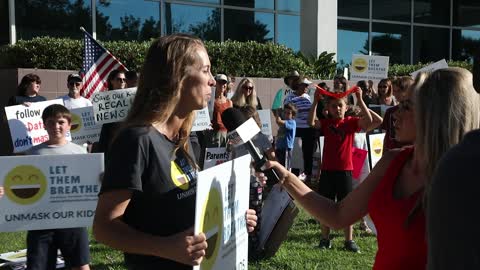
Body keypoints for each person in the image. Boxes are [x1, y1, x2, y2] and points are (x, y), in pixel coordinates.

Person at [263, 67, 480, 269]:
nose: (394, 113)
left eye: (406, 106)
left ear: (435, 115)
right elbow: (337, 215)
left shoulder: (467, 181)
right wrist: (286, 177)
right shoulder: (393, 162)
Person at [92, 34, 258, 270]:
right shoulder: (137, 140)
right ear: (178, 75)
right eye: (206, 70)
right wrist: (165, 247)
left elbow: (184, 213)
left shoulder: (186, 138)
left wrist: (230, 219)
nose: (212, 81)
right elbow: (103, 228)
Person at [308, 87, 382, 252]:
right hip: (328, 170)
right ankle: (325, 239)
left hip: (345, 171)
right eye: (334, 106)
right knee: (325, 206)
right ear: (328, 109)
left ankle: (349, 240)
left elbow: (370, 121)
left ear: (346, 107)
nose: (337, 109)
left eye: (340, 105)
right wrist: (315, 102)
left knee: (346, 206)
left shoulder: (350, 123)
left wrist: (360, 99)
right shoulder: (326, 123)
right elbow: (311, 122)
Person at [25, 104, 90, 270]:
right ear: (44, 125)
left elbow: (90, 182)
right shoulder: (32, 153)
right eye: (51, 122)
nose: (56, 126)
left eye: (61, 122)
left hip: (73, 219)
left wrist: (99, 179)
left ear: (69, 124)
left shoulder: (80, 152)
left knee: (81, 265)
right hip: (40, 222)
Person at [284, 76, 314, 182]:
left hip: (308, 129)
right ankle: (294, 178)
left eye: (307, 85)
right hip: (296, 129)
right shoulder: (290, 98)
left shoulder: (308, 97)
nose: (307, 87)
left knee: (308, 153)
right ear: (298, 85)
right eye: (305, 85)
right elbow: (287, 114)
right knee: (296, 154)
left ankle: (308, 177)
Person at [94, 69, 127, 158]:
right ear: (112, 81)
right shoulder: (103, 99)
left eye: (124, 80)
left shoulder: (131, 98)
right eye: (119, 79)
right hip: (110, 140)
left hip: (127, 139)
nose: (122, 82)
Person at [381, 76, 414, 152]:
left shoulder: (418, 112)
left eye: (398, 90)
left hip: (410, 152)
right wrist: (384, 153)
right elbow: (386, 136)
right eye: (394, 91)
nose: (395, 94)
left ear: (408, 90)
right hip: (392, 152)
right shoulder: (390, 111)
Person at [209, 74, 232, 147]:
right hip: (212, 134)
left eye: (224, 82)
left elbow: (231, 121)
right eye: (220, 82)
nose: (222, 85)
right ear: (215, 84)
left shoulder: (229, 102)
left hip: (225, 135)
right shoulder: (210, 100)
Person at [274, 103, 297, 170]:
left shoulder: (292, 122)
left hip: (286, 149)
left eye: (288, 113)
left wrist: (277, 113)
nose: (286, 114)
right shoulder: (285, 122)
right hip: (279, 148)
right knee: (279, 167)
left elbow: (278, 121)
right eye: (285, 112)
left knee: (285, 168)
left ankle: (286, 180)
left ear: (293, 115)